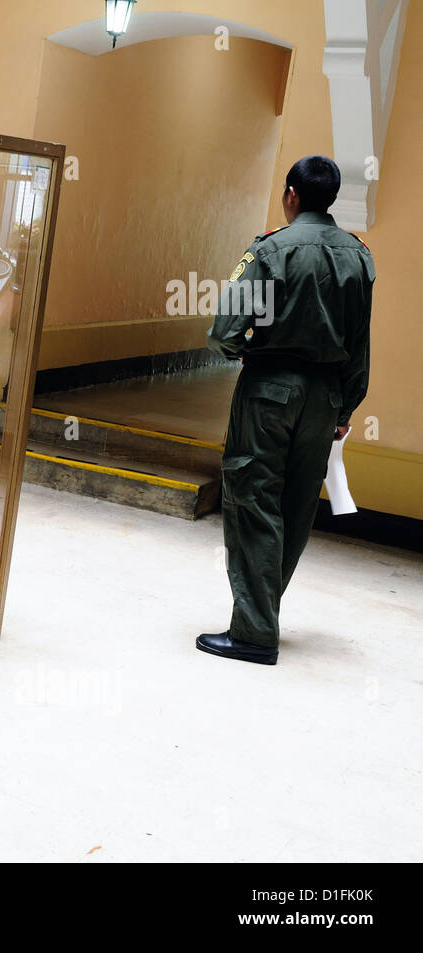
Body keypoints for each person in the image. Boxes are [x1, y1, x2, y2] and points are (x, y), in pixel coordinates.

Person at [199, 155, 374, 665]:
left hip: (269, 390)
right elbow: (360, 344)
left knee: (254, 499)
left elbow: (223, 331)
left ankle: (254, 634)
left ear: (292, 195)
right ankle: (262, 614)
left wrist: (245, 350)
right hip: (326, 398)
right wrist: (346, 404)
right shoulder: (359, 256)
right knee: (296, 505)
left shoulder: (272, 248)